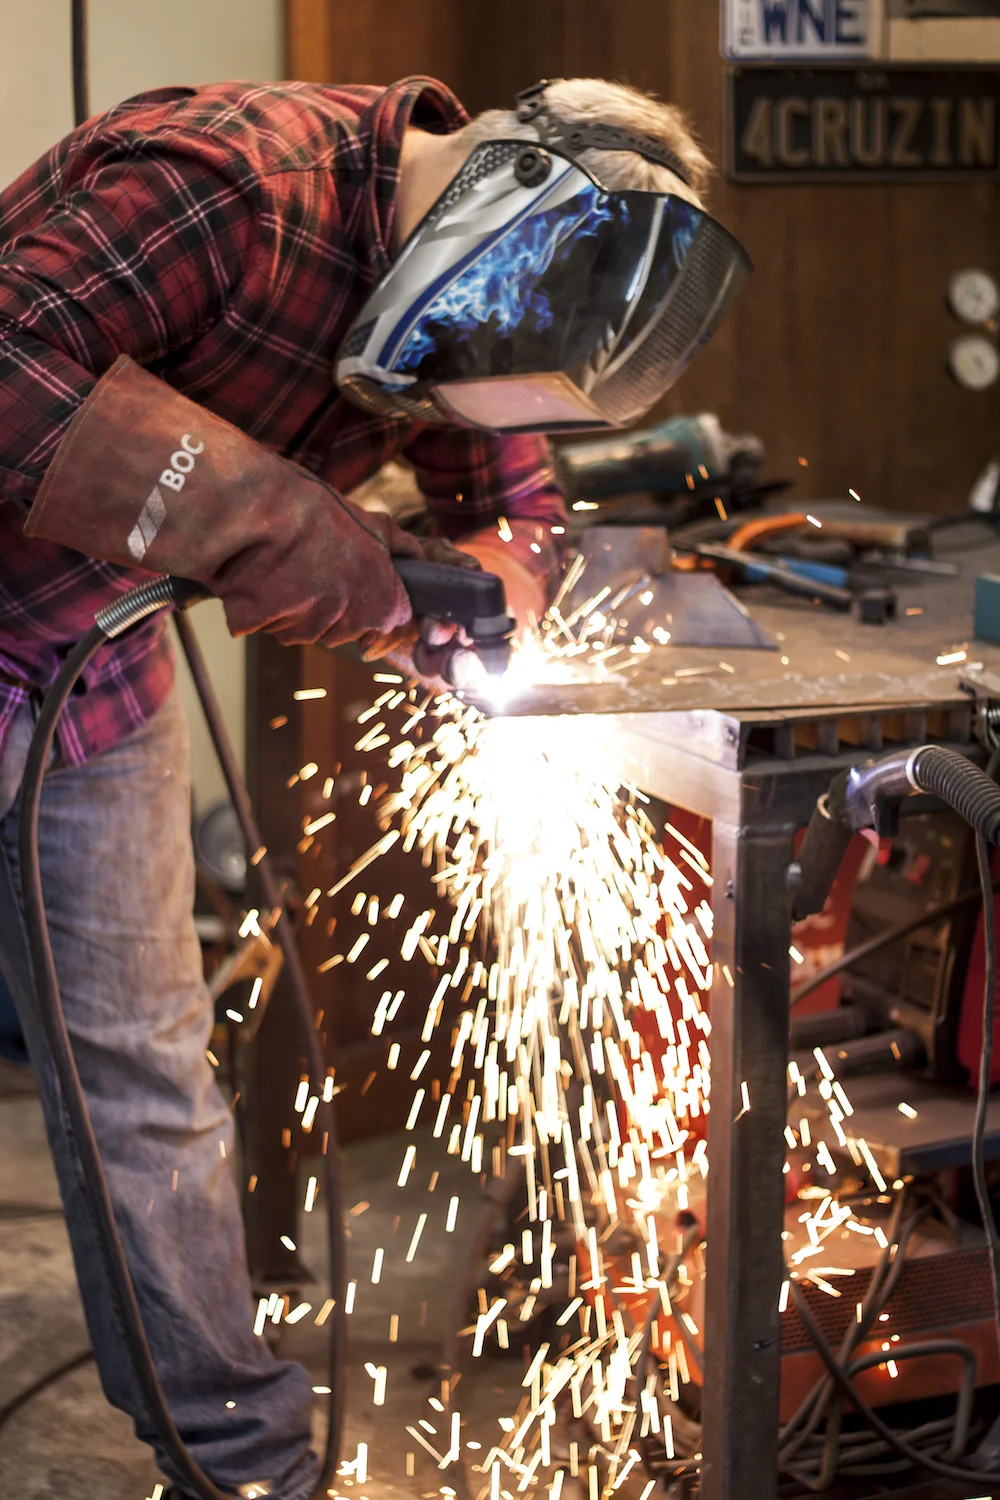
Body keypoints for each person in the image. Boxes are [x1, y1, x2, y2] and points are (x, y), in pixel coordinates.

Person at [0, 73, 734, 1499]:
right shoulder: (226, 186)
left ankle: (247, 1473)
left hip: (92, 670)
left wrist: (502, 586)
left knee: (144, 1081)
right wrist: (296, 527)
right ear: (492, 212)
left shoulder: (482, 298)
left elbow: (504, 489)